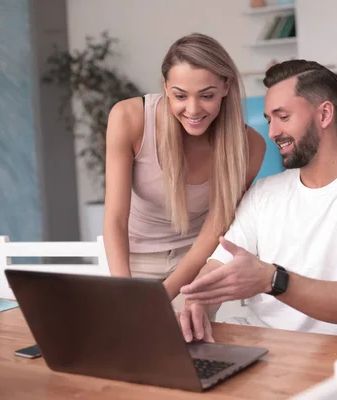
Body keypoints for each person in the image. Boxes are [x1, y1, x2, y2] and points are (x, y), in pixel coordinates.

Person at [177, 59, 337, 342]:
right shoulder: (264, 193)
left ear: (324, 115)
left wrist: (272, 280)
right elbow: (219, 268)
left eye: (283, 117)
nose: (272, 132)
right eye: (269, 119)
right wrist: (197, 303)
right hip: (263, 353)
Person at [103, 33, 266, 309]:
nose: (193, 110)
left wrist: (164, 296)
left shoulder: (249, 146)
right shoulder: (129, 118)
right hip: (135, 258)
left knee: (191, 345)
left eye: (207, 96)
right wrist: (126, 293)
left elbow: (215, 227)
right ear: (165, 87)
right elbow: (115, 218)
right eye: (180, 95)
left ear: (226, 87)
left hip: (199, 262)